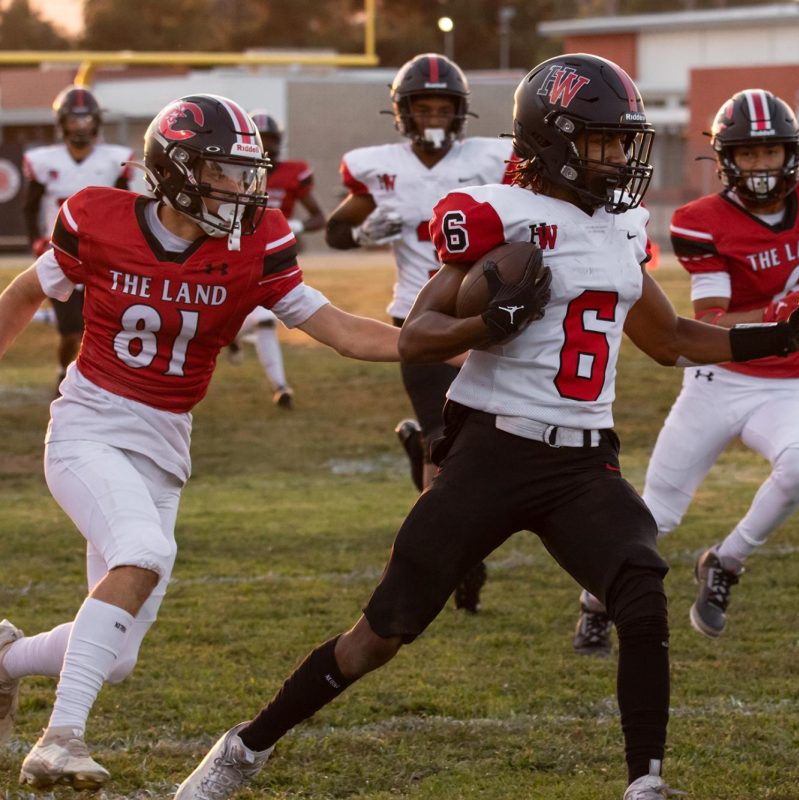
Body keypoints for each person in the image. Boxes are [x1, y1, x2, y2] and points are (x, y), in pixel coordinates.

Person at [172, 53, 799, 800]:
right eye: (605, 141)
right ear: (557, 140)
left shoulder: (620, 229)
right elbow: (418, 332)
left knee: (641, 589)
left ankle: (646, 784)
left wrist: (780, 337)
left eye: (625, 140)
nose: (623, 157)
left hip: (582, 462)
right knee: (381, 635)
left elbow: (671, 342)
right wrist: (485, 322)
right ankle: (246, 747)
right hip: (492, 451)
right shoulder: (502, 216)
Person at [0, 93, 405, 790]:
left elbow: (337, 328)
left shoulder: (256, 242)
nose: (240, 188)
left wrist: (450, 350)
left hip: (164, 442)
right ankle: (60, 738)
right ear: (177, 169)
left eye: (245, 172)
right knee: (145, 552)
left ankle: (4, 660)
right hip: (87, 427)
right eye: (222, 171)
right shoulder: (97, 217)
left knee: (117, 653)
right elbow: (23, 295)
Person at [571, 88, 799, 651]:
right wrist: (777, 315)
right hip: (718, 379)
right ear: (725, 160)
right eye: (748, 154)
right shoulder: (700, 222)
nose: (761, 166)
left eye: (770, 153)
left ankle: (726, 562)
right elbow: (710, 319)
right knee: (656, 516)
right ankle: (596, 600)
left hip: (784, 383)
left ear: (792, 153)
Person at [325, 53, 511, 611]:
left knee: (484, 445)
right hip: (419, 319)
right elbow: (337, 229)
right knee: (442, 449)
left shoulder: (492, 159)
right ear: (402, 113)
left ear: (460, 113)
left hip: (482, 319)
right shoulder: (381, 169)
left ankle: (425, 459)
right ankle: (457, 561)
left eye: (443, 107)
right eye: (423, 106)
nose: (433, 116)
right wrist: (360, 236)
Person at [22, 86, 133, 390]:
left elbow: (125, 208)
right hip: (60, 253)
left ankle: (91, 381)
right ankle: (63, 369)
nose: (80, 127)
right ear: (62, 123)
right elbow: (30, 207)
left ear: (96, 122)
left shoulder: (114, 160)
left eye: (86, 120)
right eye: (74, 120)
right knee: (71, 331)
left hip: (103, 255)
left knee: (101, 328)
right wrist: (36, 239)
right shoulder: (45, 161)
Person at [221, 111, 329, 409]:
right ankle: (230, 336)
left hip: (274, 253)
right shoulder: (230, 171)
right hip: (235, 249)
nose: (267, 147)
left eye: (271, 140)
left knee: (266, 319)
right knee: (243, 315)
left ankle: (280, 386)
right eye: (261, 140)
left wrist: (297, 227)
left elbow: (319, 217)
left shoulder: (294, 172)